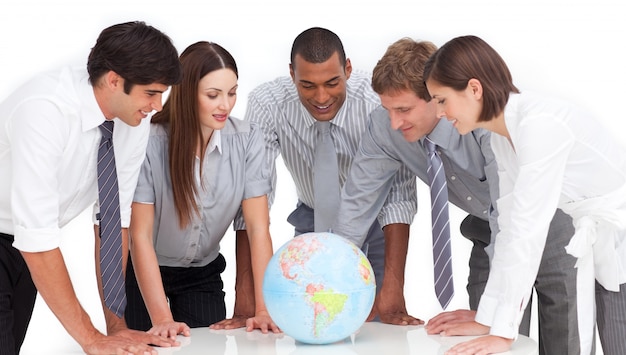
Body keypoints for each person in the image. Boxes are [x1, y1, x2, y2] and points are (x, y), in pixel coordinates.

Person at [331, 37, 581, 354]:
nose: (395, 122)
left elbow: (510, 213)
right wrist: (330, 281)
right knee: (485, 342)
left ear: (438, 98)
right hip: (488, 229)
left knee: (559, 341)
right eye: (388, 109)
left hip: (553, 222)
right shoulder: (384, 128)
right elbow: (355, 207)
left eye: (404, 109)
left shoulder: (487, 121)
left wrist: (499, 317)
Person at [423, 35, 626, 355]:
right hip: (595, 234)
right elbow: (509, 230)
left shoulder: (538, 127)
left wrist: (503, 334)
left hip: (618, 238)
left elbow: (529, 232)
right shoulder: (503, 138)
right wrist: (489, 319)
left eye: (441, 100)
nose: (438, 113)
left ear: (474, 89)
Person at [0, 21, 183, 355]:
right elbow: (37, 237)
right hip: (23, 238)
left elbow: (113, 222)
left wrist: (116, 329)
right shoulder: (45, 110)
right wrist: (92, 339)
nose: (158, 106)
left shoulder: (131, 117)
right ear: (114, 80)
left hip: (24, 246)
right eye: (151, 93)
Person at [226, 27, 394, 326]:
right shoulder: (268, 103)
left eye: (332, 83)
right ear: (292, 74)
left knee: (374, 327)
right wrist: (247, 296)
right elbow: (252, 197)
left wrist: (395, 290)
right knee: (309, 324)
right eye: (307, 85)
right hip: (310, 223)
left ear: (348, 69)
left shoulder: (376, 99)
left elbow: (400, 191)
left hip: (375, 223)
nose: (321, 97)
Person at [125, 41, 279, 339]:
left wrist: (263, 310)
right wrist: (162, 318)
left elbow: (258, 229)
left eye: (232, 93)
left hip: (201, 273)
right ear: (185, 94)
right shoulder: (149, 141)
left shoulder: (247, 139)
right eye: (213, 95)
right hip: (145, 271)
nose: (226, 105)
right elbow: (139, 235)